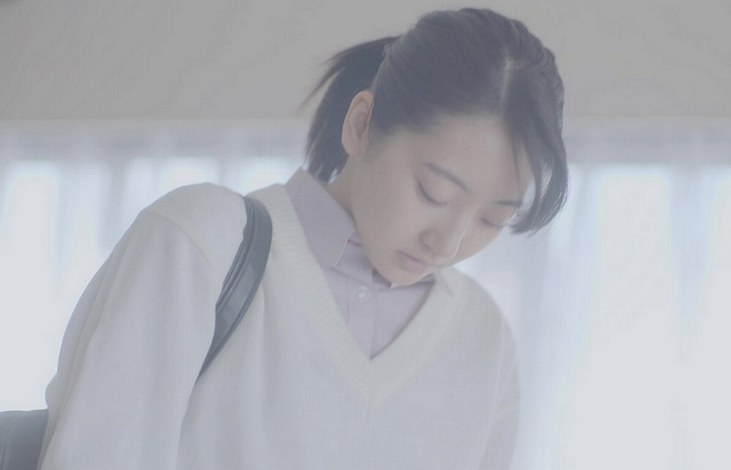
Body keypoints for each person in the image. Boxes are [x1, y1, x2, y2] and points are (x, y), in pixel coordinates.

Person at [37, 7, 567, 469]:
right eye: (434, 192)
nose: (447, 246)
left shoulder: (483, 339)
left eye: (492, 220)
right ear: (361, 124)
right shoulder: (199, 245)